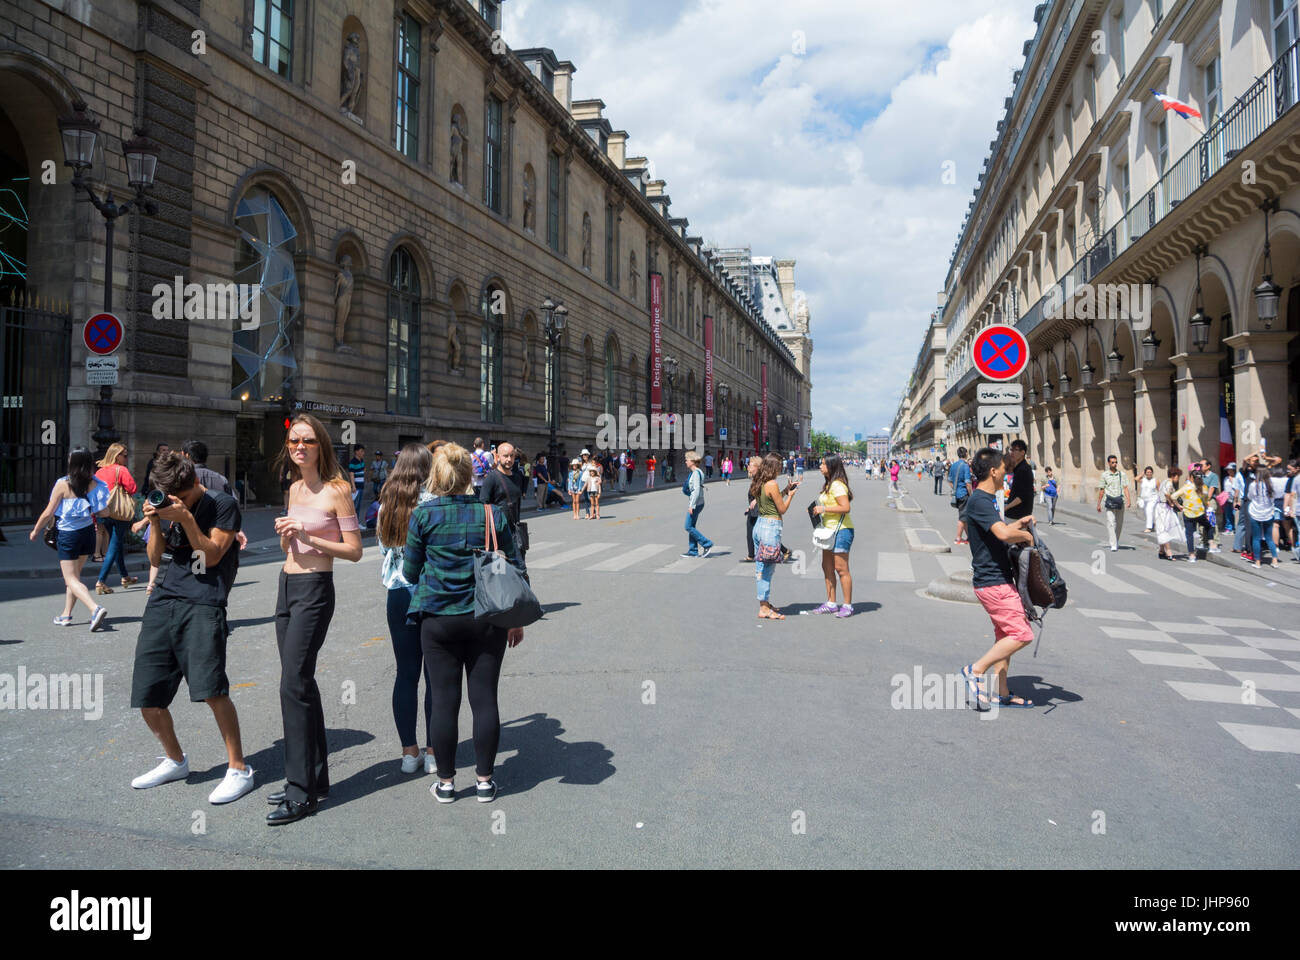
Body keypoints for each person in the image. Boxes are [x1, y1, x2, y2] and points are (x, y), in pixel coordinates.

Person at [128, 452, 255, 804]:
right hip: (164, 597)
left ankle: (239, 768)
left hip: (204, 601)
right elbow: (155, 558)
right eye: (171, 498)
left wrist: (185, 518)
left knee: (211, 689)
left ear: (195, 484)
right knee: (147, 695)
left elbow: (211, 554)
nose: (176, 503)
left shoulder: (222, 504)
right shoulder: (166, 505)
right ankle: (174, 760)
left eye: (182, 498)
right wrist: (155, 522)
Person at [403, 443, 525, 804]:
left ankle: (446, 783)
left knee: (443, 701)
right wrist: (516, 620)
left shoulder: (423, 516)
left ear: (436, 475)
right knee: (485, 698)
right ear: (470, 475)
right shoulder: (492, 515)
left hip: (438, 619)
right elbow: (513, 567)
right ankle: (485, 781)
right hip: (486, 618)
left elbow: (410, 572)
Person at [267, 414, 363, 824]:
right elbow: (294, 542)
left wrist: (309, 537)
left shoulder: (338, 491)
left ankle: (300, 790)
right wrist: (288, 536)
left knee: (292, 683)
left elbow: (355, 550)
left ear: (321, 445)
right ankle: (315, 778)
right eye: (293, 441)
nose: (299, 446)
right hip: (286, 586)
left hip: (315, 591)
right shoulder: (293, 488)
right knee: (301, 681)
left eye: (306, 440)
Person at [959, 448, 1037, 710]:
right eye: (1004, 469)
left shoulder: (984, 500)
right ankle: (976, 669)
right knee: (1021, 633)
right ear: (993, 471)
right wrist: (1025, 537)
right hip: (993, 582)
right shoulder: (980, 500)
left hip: (996, 579)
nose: (1006, 474)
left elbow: (998, 532)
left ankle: (1002, 692)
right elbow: (1003, 536)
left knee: (1005, 636)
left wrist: (1019, 525)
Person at [377, 443, 437, 776]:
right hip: (430, 593)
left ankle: (408, 752)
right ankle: (432, 751)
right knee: (435, 676)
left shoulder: (387, 504)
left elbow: (385, 547)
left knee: (405, 673)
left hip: (398, 592)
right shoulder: (433, 503)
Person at [29, 448, 110, 630]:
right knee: (75, 576)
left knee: (71, 579)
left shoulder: (63, 484)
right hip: (88, 532)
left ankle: (94, 608)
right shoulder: (95, 484)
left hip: (68, 535)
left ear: (72, 462)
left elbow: (48, 512)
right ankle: (66, 615)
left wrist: (35, 530)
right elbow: (104, 511)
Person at [751, 453, 800, 620]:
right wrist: (791, 496)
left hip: (759, 526)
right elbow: (781, 509)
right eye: (780, 465)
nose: (782, 468)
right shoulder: (771, 483)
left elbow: (771, 500)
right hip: (770, 528)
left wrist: (786, 490)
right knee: (767, 570)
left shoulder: (760, 481)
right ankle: (764, 608)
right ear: (774, 467)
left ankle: (764, 603)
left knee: (760, 568)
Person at [810, 453, 854, 618]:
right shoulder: (829, 484)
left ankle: (848, 605)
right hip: (828, 530)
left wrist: (824, 509)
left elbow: (845, 507)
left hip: (842, 530)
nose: (820, 466)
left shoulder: (837, 485)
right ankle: (831, 603)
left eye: (823, 464)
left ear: (831, 466)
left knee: (841, 569)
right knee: (826, 567)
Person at [93, 442, 138, 595]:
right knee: (114, 545)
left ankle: (125, 577)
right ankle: (101, 581)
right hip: (119, 512)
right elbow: (133, 489)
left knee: (116, 544)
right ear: (116, 456)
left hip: (105, 512)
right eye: (124, 455)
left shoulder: (99, 472)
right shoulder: (121, 470)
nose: (126, 458)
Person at [480, 441, 529, 562]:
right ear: (497, 456)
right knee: (501, 573)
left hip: (515, 533)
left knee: (520, 571)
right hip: (498, 535)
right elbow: (483, 506)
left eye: (512, 456)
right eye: (505, 456)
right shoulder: (491, 478)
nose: (509, 459)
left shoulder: (517, 477)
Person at [1243, 452, 1283, 569]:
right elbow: (1275, 496)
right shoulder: (1271, 485)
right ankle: (1274, 560)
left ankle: (1258, 562)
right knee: (1269, 537)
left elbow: (1249, 497)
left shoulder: (1253, 485)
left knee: (1256, 538)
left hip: (1255, 512)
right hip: (1268, 513)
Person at [1170, 467, 1212, 562]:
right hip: (1200, 513)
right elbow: (1206, 501)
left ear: (1191, 478)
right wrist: (1206, 509)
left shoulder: (1186, 487)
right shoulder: (1204, 487)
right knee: (1209, 526)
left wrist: (1179, 505)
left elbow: (1173, 496)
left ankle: (1192, 555)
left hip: (1188, 513)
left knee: (1189, 534)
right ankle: (1211, 543)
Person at [681, 450, 714, 558]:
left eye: (687, 460)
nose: (685, 462)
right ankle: (693, 550)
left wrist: (691, 505)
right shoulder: (698, 471)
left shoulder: (695, 473)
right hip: (699, 502)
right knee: (692, 526)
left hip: (696, 503)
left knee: (688, 526)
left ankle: (706, 544)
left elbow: (695, 490)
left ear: (692, 461)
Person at [1096, 454, 1131, 551]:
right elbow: (1102, 490)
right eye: (1113, 462)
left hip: (1120, 501)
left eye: (1116, 462)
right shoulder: (1104, 475)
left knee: (1119, 523)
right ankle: (1113, 544)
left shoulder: (1122, 474)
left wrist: (1129, 500)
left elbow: (1125, 487)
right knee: (1111, 522)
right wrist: (1098, 504)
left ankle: (1116, 540)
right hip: (1109, 501)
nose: (1115, 464)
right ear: (1108, 463)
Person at [1155, 466, 1184, 560]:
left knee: (1162, 528)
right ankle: (1169, 552)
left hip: (1159, 507)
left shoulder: (1164, 481)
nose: (1178, 478)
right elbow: (1168, 494)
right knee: (1165, 529)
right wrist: (1174, 504)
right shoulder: (1170, 484)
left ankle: (1161, 550)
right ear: (1173, 476)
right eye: (1177, 476)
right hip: (1164, 508)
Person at [1003, 439, 1034, 523]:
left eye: (1015, 450)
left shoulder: (1023, 469)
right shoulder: (1018, 468)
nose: (1012, 452)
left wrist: (1006, 507)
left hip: (1017, 515)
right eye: (1011, 450)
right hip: (1016, 514)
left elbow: (1021, 497)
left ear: (1022, 452)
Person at [948, 447, 971, 544]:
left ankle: (969, 537)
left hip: (957, 494)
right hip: (964, 494)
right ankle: (958, 538)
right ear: (965, 454)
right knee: (962, 517)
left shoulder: (953, 465)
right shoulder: (965, 466)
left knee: (964, 515)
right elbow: (968, 483)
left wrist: (955, 489)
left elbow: (949, 480)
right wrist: (971, 494)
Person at [1137, 466, 1160, 532]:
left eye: (1150, 472)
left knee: (1148, 510)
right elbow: (1136, 479)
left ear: (1152, 473)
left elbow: (1159, 489)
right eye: (1147, 472)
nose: (1149, 473)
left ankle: (1148, 527)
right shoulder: (1143, 480)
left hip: (1153, 499)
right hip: (1144, 499)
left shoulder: (1155, 480)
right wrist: (1142, 474)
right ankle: (1152, 524)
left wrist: (1161, 499)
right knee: (1146, 513)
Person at [582, 449, 602, 519]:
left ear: (588, 455)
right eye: (583, 455)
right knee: (586, 499)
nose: (583, 456)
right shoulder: (583, 464)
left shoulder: (592, 464)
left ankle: (594, 513)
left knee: (591, 499)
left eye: (585, 455)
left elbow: (597, 473)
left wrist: (599, 481)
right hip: (583, 482)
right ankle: (588, 513)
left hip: (591, 483)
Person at [346, 444, 367, 515]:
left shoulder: (362, 460)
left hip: (361, 486)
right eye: (361, 451)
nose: (363, 453)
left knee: (359, 506)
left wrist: (363, 471)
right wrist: (353, 486)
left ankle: (357, 522)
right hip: (356, 487)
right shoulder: (353, 462)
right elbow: (351, 474)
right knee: (355, 505)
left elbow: (364, 469)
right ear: (356, 452)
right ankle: (353, 523)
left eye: (363, 451)